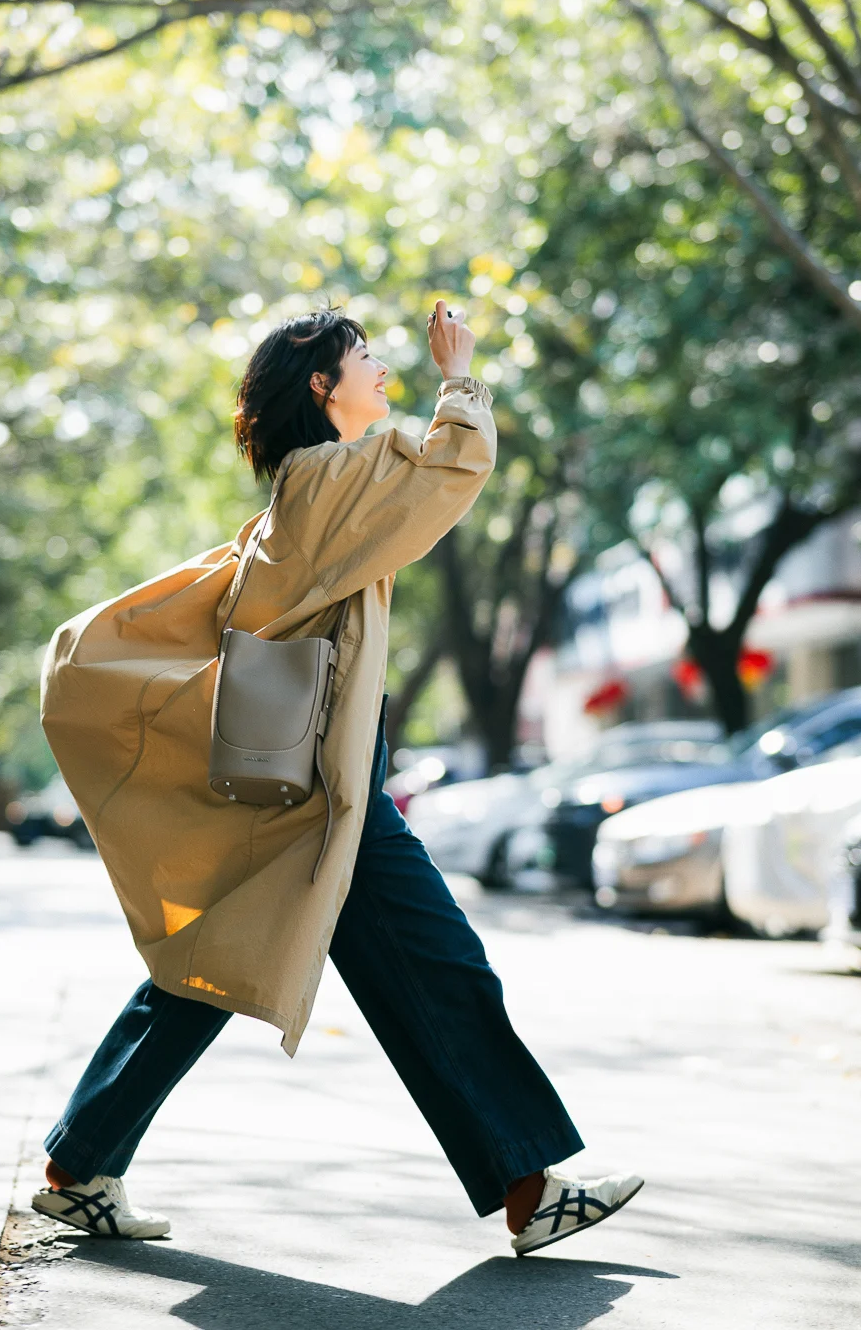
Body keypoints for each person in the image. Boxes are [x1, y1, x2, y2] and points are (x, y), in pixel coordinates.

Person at [33, 300, 642, 1255]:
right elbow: (451, 468)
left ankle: (80, 1163)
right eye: (365, 358)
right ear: (322, 386)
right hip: (328, 794)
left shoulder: (307, 487)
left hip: (320, 788)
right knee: (440, 970)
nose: (382, 370)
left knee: (212, 968)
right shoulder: (321, 479)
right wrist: (460, 376)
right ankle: (531, 1186)